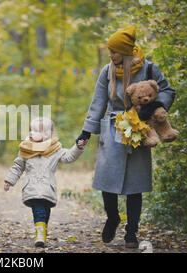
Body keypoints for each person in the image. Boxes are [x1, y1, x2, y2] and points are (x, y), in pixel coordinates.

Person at [75, 26, 176, 248]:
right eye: (110, 51)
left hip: (140, 128)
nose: (111, 55)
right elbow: (98, 101)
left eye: (115, 51)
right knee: (107, 181)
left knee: (134, 184)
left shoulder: (149, 69)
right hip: (113, 128)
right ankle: (113, 218)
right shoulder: (106, 71)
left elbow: (168, 90)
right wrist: (86, 131)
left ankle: (131, 233)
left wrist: (154, 108)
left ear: (127, 52)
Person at [4, 117, 88, 247]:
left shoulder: (55, 149)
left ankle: (42, 231)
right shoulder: (26, 149)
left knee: (45, 211)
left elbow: (69, 157)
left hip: (48, 188)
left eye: (37, 131)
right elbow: (18, 166)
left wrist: (77, 147)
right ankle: (40, 236)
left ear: (47, 134)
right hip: (32, 188)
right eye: (31, 130)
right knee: (38, 211)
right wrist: (9, 180)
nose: (32, 133)